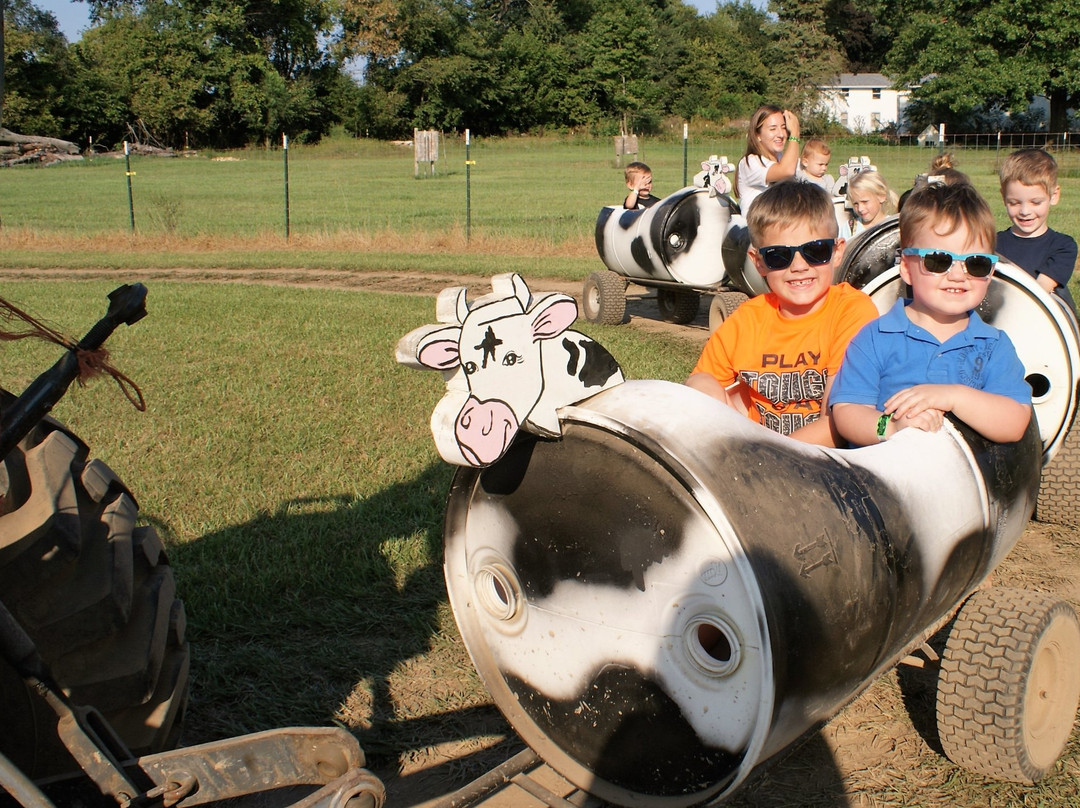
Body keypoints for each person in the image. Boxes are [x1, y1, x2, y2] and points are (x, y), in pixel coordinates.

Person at [830, 182, 1032, 447]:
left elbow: (1014, 423)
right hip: (885, 468)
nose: (958, 275)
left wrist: (953, 397)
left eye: (977, 263)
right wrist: (889, 427)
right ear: (906, 268)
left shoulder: (994, 346)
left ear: (991, 272)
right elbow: (847, 412)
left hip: (961, 473)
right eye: (938, 260)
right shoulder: (874, 337)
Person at [686, 181, 878, 446]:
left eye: (816, 251)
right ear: (759, 262)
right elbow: (701, 383)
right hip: (758, 448)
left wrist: (769, 457)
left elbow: (835, 423)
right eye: (779, 256)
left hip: (826, 456)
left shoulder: (850, 310)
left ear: (837, 252)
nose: (799, 266)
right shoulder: (747, 319)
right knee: (700, 386)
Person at [996, 148, 1077, 317]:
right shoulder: (992, 244)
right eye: (1014, 203)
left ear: (1054, 195)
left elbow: (1039, 291)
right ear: (1003, 197)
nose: (1025, 211)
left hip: (1041, 322)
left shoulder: (1063, 247)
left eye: (1036, 202)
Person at [735, 105, 801, 213]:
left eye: (784, 127)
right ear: (757, 135)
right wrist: (795, 135)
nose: (781, 134)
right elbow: (787, 171)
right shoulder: (750, 163)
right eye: (773, 129)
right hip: (756, 223)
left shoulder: (783, 159)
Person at [840, 170, 896, 238]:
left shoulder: (893, 226)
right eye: (855, 204)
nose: (860, 209)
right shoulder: (849, 228)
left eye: (865, 202)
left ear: (882, 197)